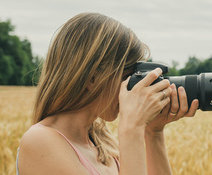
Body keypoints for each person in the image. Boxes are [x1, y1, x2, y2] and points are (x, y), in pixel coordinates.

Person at [16, 13, 199, 175]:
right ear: (92, 78)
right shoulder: (40, 142)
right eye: (128, 76)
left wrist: (153, 132)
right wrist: (131, 128)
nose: (132, 88)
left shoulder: (103, 144)